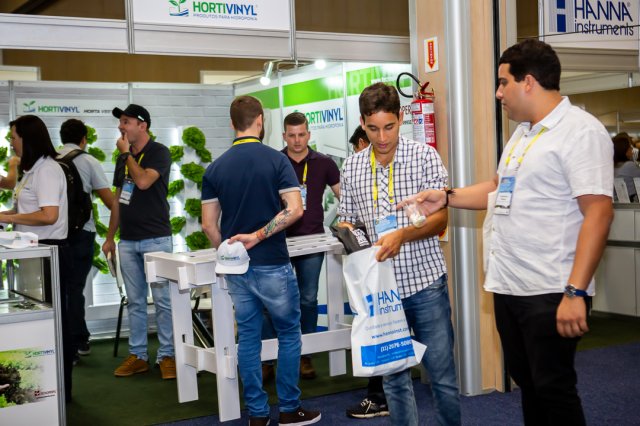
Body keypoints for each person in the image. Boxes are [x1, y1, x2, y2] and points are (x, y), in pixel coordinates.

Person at [402, 39, 613, 426]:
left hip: (551, 288)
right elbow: (498, 188)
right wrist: (445, 197)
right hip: (510, 284)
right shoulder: (522, 134)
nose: (498, 93)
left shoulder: (580, 132)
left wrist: (575, 292)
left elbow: (598, 212)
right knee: (529, 385)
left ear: (528, 81)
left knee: (554, 389)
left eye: (503, 83)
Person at [338, 83, 460, 426]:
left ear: (401, 118)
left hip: (424, 283)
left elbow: (440, 219)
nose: (382, 137)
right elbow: (348, 217)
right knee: (393, 379)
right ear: (362, 123)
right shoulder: (352, 166)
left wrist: (402, 235)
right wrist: (348, 233)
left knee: (441, 374)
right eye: (373, 128)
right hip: (381, 292)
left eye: (389, 127)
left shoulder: (424, 157)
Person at [201, 95, 321, 426]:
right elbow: (295, 209)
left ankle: (257, 414)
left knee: (249, 337)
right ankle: (289, 409)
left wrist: (229, 250)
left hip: (237, 267)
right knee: (289, 333)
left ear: (232, 124)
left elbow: (209, 225)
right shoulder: (276, 160)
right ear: (260, 121)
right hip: (272, 262)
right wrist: (258, 236)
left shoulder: (216, 167)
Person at [0, 115, 74, 402]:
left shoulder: (48, 170)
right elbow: (27, 211)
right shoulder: (32, 170)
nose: (11, 142)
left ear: (27, 138)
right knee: (41, 321)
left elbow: (49, 215)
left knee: (55, 324)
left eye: (13, 137)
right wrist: (7, 216)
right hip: (33, 253)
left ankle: (60, 392)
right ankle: (42, 389)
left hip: (50, 253)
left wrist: (8, 218)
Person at [262, 112, 340, 381]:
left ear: (309, 134)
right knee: (273, 300)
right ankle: (268, 358)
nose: (297, 140)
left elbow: (344, 195)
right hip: (278, 241)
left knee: (308, 299)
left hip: (311, 241)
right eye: (292, 135)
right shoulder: (274, 162)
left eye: (302, 134)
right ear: (284, 135)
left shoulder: (324, 163)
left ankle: (305, 355)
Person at [102, 104, 176, 380]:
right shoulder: (124, 158)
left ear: (142, 125)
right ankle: (138, 355)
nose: (121, 126)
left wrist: (126, 155)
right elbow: (118, 199)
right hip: (128, 241)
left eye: (126, 121)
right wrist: (110, 237)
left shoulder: (159, 152)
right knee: (135, 302)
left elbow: (143, 182)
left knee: (163, 301)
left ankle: (167, 355)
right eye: (121, 122)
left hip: (156, 239)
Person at [58, 118, 115, 361]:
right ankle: (79, 341)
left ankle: (63, 342)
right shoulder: (90, 161)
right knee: (75, 288)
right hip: (82, 232)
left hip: (55, 233)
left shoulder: (50, 161)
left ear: (62, 138)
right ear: (84, 139)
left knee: (59, 289)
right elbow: (110, 201)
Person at [344, 125, 389, 419]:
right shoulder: (354, 169)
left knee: (382, 331)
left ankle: (379, 397)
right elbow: (347, 217)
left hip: (400, 268)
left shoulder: (415, 158)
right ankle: (379, 396)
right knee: (379, 330)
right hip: (374, 266)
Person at [612, 132, 640, 201]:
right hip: (631, 203)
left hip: (616, 202)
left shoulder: (612, 166)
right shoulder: (629, 166)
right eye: (630, 148)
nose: (632, 149)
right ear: (625, 151)